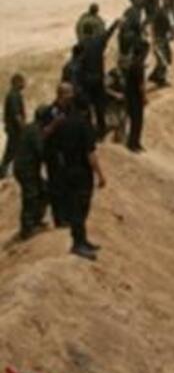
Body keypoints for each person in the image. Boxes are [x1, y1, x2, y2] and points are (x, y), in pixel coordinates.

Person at [43, 82, 107, 260]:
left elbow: (56, 143)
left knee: (76, 206)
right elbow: (90, 154)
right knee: (80, 207)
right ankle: (78, 243)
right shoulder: (81, 124)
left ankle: (81, 239)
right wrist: (100, 175)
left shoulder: (63, 122)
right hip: (80, 171)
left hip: (66, 168)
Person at [12, 105, 49, 240]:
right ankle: (27, 228)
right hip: (26, 169)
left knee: (43, 191)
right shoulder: (35, 131)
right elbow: (41, 151)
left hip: (25, 168)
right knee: (31, 196)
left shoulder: (30, 128)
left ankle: (35, 221)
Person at [124, 37, 148, 153]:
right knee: (137, 121)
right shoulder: (138, 66)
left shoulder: (133, 64)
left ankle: (135, 142)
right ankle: (133, 143)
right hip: (135, 97)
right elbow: (141, 85)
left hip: (131, 96)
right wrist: (144, 97)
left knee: (136, 121)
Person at [3, 73, 26, 178]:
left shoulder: (13, 94)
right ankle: (2, 173)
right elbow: (17, 115)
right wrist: (23, 128)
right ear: (17, 82)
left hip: (13, 129)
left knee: (12, 152)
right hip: (15, 130)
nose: (24, 84)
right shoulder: (14, 96)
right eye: (22, 82)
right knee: (12, 152)